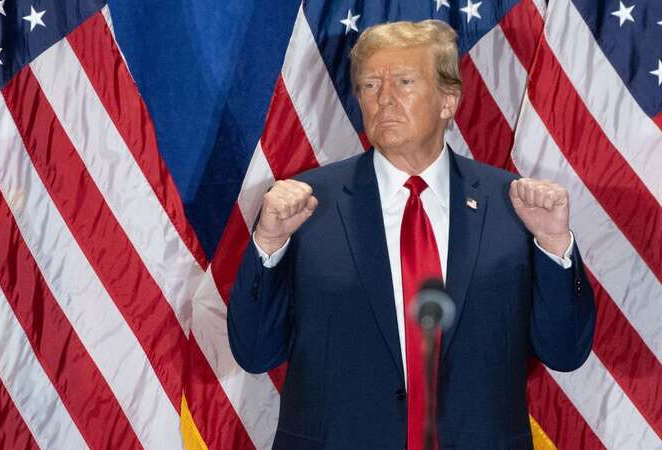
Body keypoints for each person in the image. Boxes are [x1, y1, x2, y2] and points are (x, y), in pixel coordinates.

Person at [227, 19, 595, 450]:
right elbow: (255, 353)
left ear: (448, 100)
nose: (383, 98)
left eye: (403, 82)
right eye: (369, 85)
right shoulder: (306, 207)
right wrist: (269, 246)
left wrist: (553, 246)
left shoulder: (514, 207)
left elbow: (565, 353)